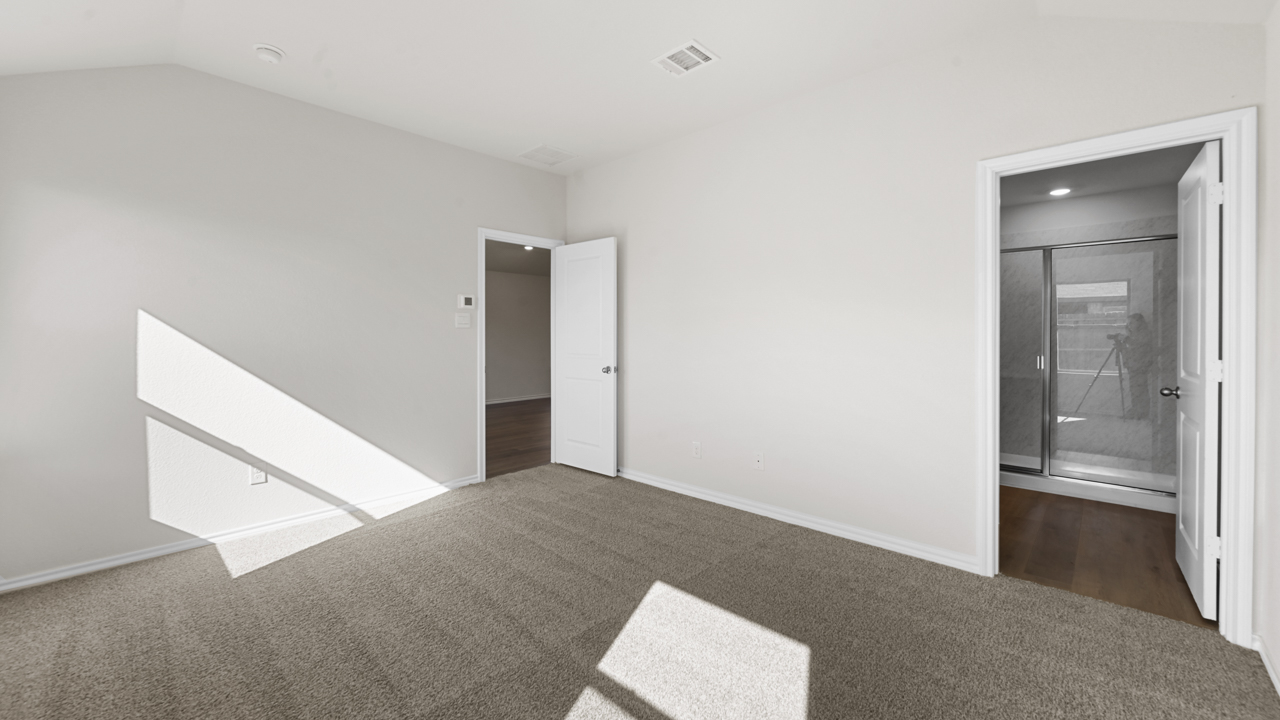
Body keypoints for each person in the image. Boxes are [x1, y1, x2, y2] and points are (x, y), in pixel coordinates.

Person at [1118, 313, 1153, 420]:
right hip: (1133, 366)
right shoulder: (1132, 335)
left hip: (1141, 366)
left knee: (1141, 390)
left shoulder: (1144, 334)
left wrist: (1126, 340)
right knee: (1134, 390)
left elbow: (1140, 346)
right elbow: (1131, 350)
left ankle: (1142, 412)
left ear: (1139, 323)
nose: (1129, 325)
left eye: (1132, 323)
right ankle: (1136, 410)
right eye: (1128, 323)